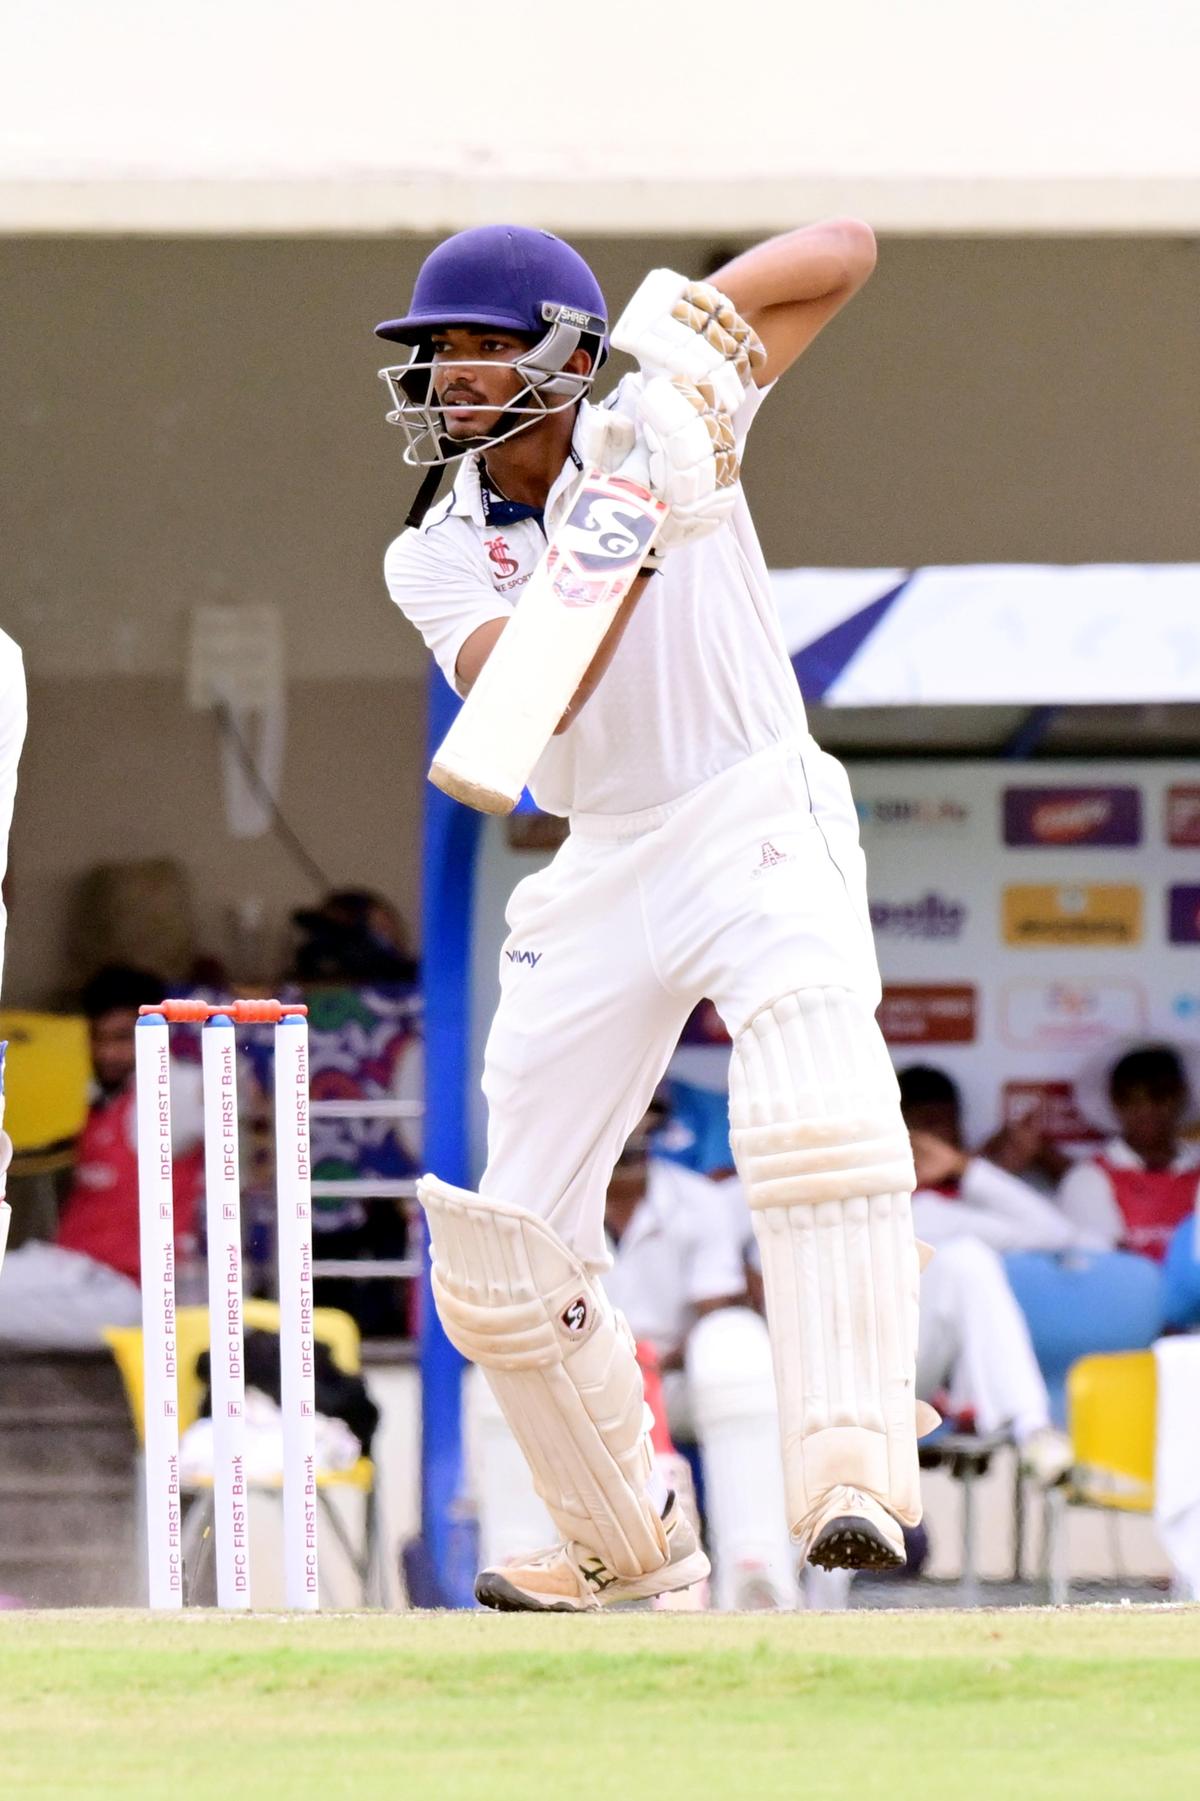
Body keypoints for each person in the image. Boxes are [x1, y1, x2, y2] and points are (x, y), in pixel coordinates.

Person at [380, 220, 926, 1611]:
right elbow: (530, 702)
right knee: (503, 1242)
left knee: (812, 1098)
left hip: (752, 806)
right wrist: (627, 531)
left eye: (482, 347)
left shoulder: (660, 415)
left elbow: (846, 250)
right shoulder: (435, 555)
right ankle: (621, 1538)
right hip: (603, 855)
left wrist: (692, 344)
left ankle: (854, 1458)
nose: (448, 375)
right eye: (438, 353)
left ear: (563, 353)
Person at [0, 966, 202, 1348]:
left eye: (123, 1038)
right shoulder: (100, 1097)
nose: (108, 1053)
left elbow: (236, 1097)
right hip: (72, 1274)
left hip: (124, 1290)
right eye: (99, 1039)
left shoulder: (169, 1092)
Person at [897, 1064, 1097, 1254]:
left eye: (950, 1122)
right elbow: (1055, 1236)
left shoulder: (967, 1186)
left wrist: (965, 1166)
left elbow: (1065, 1238)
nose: (943, 1134)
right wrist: (969, 1166)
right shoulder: (913, 1207)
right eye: (930, 1123)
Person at [1059, 1044, 1200, 1262]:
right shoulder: (1088, 1178)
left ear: (1180, 1097)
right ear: (1115, 1103)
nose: (1146, 1109)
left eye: (1159, 1095)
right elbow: (1105, 1268)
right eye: (1131, 1098)